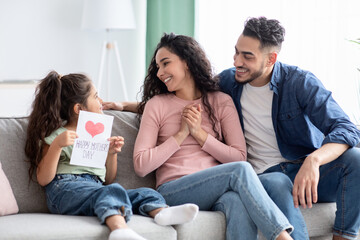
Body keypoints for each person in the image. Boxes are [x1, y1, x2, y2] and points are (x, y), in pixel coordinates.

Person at [117, 33, 295, 240]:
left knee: (236, 201)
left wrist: (200, 135)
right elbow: (141, 165)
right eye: (157, 67)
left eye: (165, 64)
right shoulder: (156, 105)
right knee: (239, 172)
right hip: (174, 190)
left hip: (216, 189)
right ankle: (283, 237)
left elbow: (239, 156)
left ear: (187, 62)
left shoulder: (221, 101)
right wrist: (181, 134)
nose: (160, 73)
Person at [218, 17, 360, 240]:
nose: (237, 61)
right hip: (264, 176)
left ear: (270, 59)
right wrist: (142, 106)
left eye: (247, 56)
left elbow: (346, 128)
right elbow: (183, 99)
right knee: (278, 181)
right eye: (236, 52)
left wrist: (314, 160)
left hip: (305, 173)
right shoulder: (227, 82)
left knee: (356, 159)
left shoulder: (299, 82)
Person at [24, 71, 199, 240]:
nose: (101, 101)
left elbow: (108, 179)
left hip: (96, 188)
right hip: (64, 190)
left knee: (145, 192)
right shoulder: (57, 136)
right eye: (95, 96)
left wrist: (111, 154)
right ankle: (119, 229)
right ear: (78, 108)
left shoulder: (100, 136)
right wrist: (57, 146)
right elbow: (43, 179)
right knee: (110, 192)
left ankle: (161, 212)